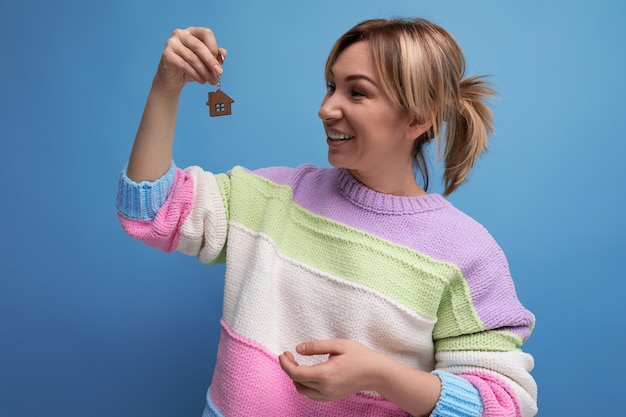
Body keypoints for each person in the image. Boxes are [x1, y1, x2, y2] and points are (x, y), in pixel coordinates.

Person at [116, 18, 537, 417]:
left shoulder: (467, 253)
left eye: (357, 93)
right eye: (331, 87)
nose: (326, 108)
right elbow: (151, 210)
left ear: (418, 118)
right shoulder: (272, 198)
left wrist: (380, 376)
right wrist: (165, 88)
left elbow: (502, 404)